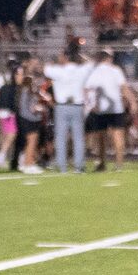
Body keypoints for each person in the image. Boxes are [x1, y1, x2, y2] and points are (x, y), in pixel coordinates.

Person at [45, 37, 90, 173]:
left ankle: (62, 166)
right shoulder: (81, 70)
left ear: (65, 57)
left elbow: (46, 68)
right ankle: (79, 166)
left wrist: (57, 60)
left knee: (61, 138)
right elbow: (90, 64)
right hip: (77, 106)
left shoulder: (58, 70)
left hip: (62, 106)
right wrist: (80, 56)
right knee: (78, 138)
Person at [86, 44, 129, 171]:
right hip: (116, 108)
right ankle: (119, 165)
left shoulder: (95, 71)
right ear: (110, 57)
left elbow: (87, 89)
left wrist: (90, 105)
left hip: (101, 109)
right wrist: (132, 101)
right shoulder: (116, 70)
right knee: (118, 136)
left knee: (101, 138)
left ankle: (102, 163)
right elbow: (124, 88)